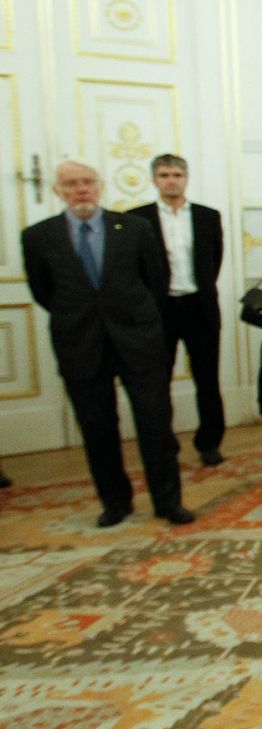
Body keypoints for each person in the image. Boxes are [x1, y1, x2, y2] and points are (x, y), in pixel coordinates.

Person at [22, 160, 194, 526]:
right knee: (96, 427)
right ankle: (115, 503)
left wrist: (138, 318)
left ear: (99, 186)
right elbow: (44, 291)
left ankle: (168, 502)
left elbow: (156, 278)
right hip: (80, 342)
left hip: (138, 339)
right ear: (58, 191)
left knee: (155, 424)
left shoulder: (134, 228)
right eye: (71, 184)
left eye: (87, 181)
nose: (81, 189)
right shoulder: (39, 236)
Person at [127, 153, 227, 467]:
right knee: (158, 382)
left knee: (207, 380)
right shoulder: (136, 219)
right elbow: (134, 267)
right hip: (159, 310)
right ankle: (163, 444)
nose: (171, 181)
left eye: (177, 175)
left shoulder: (207, 216)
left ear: (186, 178)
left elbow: (214, 259)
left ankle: (209, 443)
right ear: (154, 180)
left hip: (199, 307)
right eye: (164, 175)